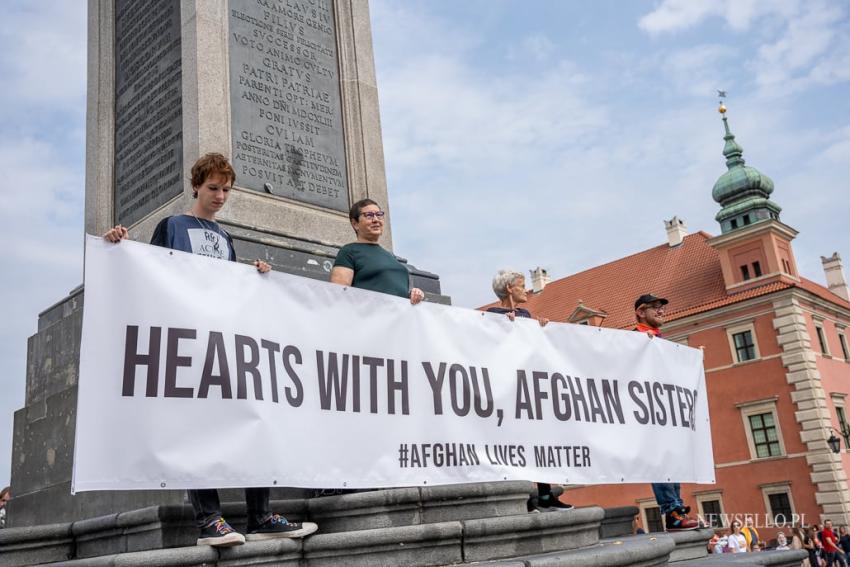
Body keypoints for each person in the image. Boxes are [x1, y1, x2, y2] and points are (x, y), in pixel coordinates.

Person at [103, 153, 317, 547]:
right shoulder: (173, 225)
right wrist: (118, 245)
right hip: (188, 340)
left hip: (224, 341)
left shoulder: (225, 237)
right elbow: (149, 271)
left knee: (252, 419)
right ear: (196, 186)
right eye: (213, 188)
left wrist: (255, 279)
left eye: (226, 189)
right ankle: (210, 520)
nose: (220, 196)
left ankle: (260, 515)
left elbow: (231, 290)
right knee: (197, 428)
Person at [487, 270, 570, 513]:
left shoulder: (525, 314)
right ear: (509, 289)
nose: (526, 290)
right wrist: (504, 327)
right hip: (508, 387)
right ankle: (522, 497)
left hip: (530, 385)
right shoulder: (491, 315)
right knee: (516, 442)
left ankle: (545, 495)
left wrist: (539, 328)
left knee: (540, 439)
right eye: (521, 286)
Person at [633, 294, 699, 531]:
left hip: (666, 408)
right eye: (655, 307)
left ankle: (677, 507)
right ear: (640, 312)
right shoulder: (635, 338)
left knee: (671, 457)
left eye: (662, 307)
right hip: (647, 409)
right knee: (660, 459)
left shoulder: (660, 339)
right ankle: (671, 510)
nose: (661, 311)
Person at [330, 198, 425, 304]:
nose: (376, 219)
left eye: (379, 214)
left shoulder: (390, 256)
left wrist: (413, 294)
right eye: (369, 215)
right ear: (355, 223)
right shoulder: (349, 251)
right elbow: (338, 294)